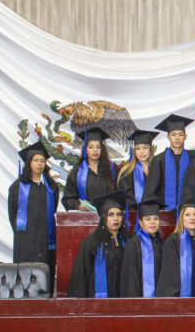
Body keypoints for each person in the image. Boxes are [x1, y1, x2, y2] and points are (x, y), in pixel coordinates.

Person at [8, 141, 61, 287]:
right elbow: (12, 212)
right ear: (29, 163)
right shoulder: (18, 186)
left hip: (45, 239)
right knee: (24, 275)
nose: (39, 164)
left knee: (45, 273)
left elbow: (54, 209)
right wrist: (23, 233)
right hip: (25, 240)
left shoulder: (51, 187)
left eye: (42, 161)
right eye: (35, 160)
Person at [67, 191, 127, 297]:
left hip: (122, 299)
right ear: (104, 217)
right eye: (111, 215)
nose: (116, 219)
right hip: (96, 301)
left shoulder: (128, 242)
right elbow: (81, 277)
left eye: (119, 214)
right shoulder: (91, 243)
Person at [144, 114, 195, 212]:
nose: (177, 138)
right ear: (168, 137)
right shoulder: (158, 160)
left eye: (180, 134)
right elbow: (151, 192)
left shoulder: (194, 158)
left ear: (185, 137)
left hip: (189, 212)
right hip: (164, 212)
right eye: (173, 134)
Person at [157, 201, 195, 297]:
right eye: (187, 214)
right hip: (177, 297)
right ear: (181, 218)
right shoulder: (173, 241)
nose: (192, 218)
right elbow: (169, 275)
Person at [62, 127, 116, 211]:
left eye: (98, 147)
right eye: (91, 147)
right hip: (86, 218)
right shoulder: (77, 172)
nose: (95, 150)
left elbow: (120, 194)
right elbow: (68, 199)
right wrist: (79, 206)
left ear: (102, 149)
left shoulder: (112, 169)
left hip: (108, 217)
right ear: (85, 150)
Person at [120, 198, 165, 297]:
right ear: (140, 222)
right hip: (137, 297)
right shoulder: (133, 243)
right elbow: (130, 276)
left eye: (156, 218)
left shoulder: (161, 244)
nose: (152, 222)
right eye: (148, 219)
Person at [117, 129, 157, 210]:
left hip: (156, 216)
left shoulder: (159, 170)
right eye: (138, 148)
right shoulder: (126, 173)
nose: (141, 152)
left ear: (151, 149)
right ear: (134, 151)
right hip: (134, 217)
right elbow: (126, 200)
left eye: (145, 147)